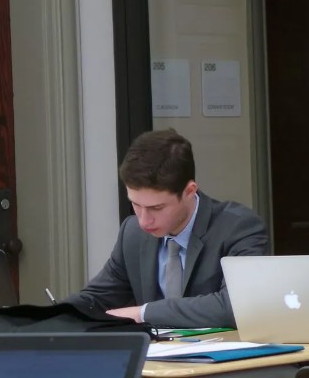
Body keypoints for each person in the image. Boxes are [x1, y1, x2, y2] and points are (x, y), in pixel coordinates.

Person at [64, 128, 269, 328]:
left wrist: (142, 313)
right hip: (156, 360)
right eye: (136, 204)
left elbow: (236, 305)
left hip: (220, 358)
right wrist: (51, 316)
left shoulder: (238, 227)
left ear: (189, 191)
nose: (144, 220)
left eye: (156, 208)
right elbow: (98, 298)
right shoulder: (132, 232)